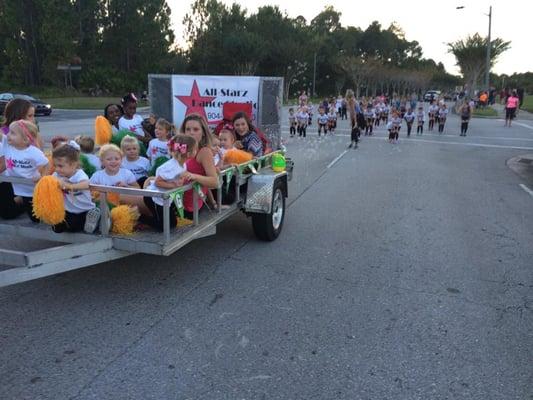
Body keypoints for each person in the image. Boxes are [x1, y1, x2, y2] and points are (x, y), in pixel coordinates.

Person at [142, 134, 197, 231]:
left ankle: (153, 220)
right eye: (195, 149)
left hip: (165, 198)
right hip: (154, 197)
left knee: (172, 223)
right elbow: (157, 182)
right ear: (188, 154)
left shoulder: (182, 164)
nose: (196, 151)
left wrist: (184, 178)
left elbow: (178, 177)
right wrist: (173, 185)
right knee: (163, 226)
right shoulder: (170, 167)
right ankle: (139, 217)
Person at [0, 120, 48, 221]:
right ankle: (20, 201)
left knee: (36, 218)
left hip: (32, 190)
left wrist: (39, 173)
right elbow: (2, 136)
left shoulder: (33, 152)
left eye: (13, 133)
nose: (8, 134)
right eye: (9, 131)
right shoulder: (8, 146)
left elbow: (45, 164)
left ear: (25, 139)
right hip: (17, 187)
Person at [50, 143, 100, 233]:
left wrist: (71, 186)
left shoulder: (79, 174)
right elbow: (49, 182)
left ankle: (95, 220)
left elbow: (86, 184)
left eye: (60, 166)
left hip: (84, 209)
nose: (57, 169)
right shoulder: (57, 175)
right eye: (55, 165)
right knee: (58, 225)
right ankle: (65, 225)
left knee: (73, 226)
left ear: (73, 165)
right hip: (69, 209)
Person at [180, 114, 219, 218]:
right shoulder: (181, 149)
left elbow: (214, 182)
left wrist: (194, 176)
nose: (191, 132)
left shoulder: (204, 152)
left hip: (187, 207)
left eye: (196, 129)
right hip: (174, 197)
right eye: (188, 129)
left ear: (203, 133)